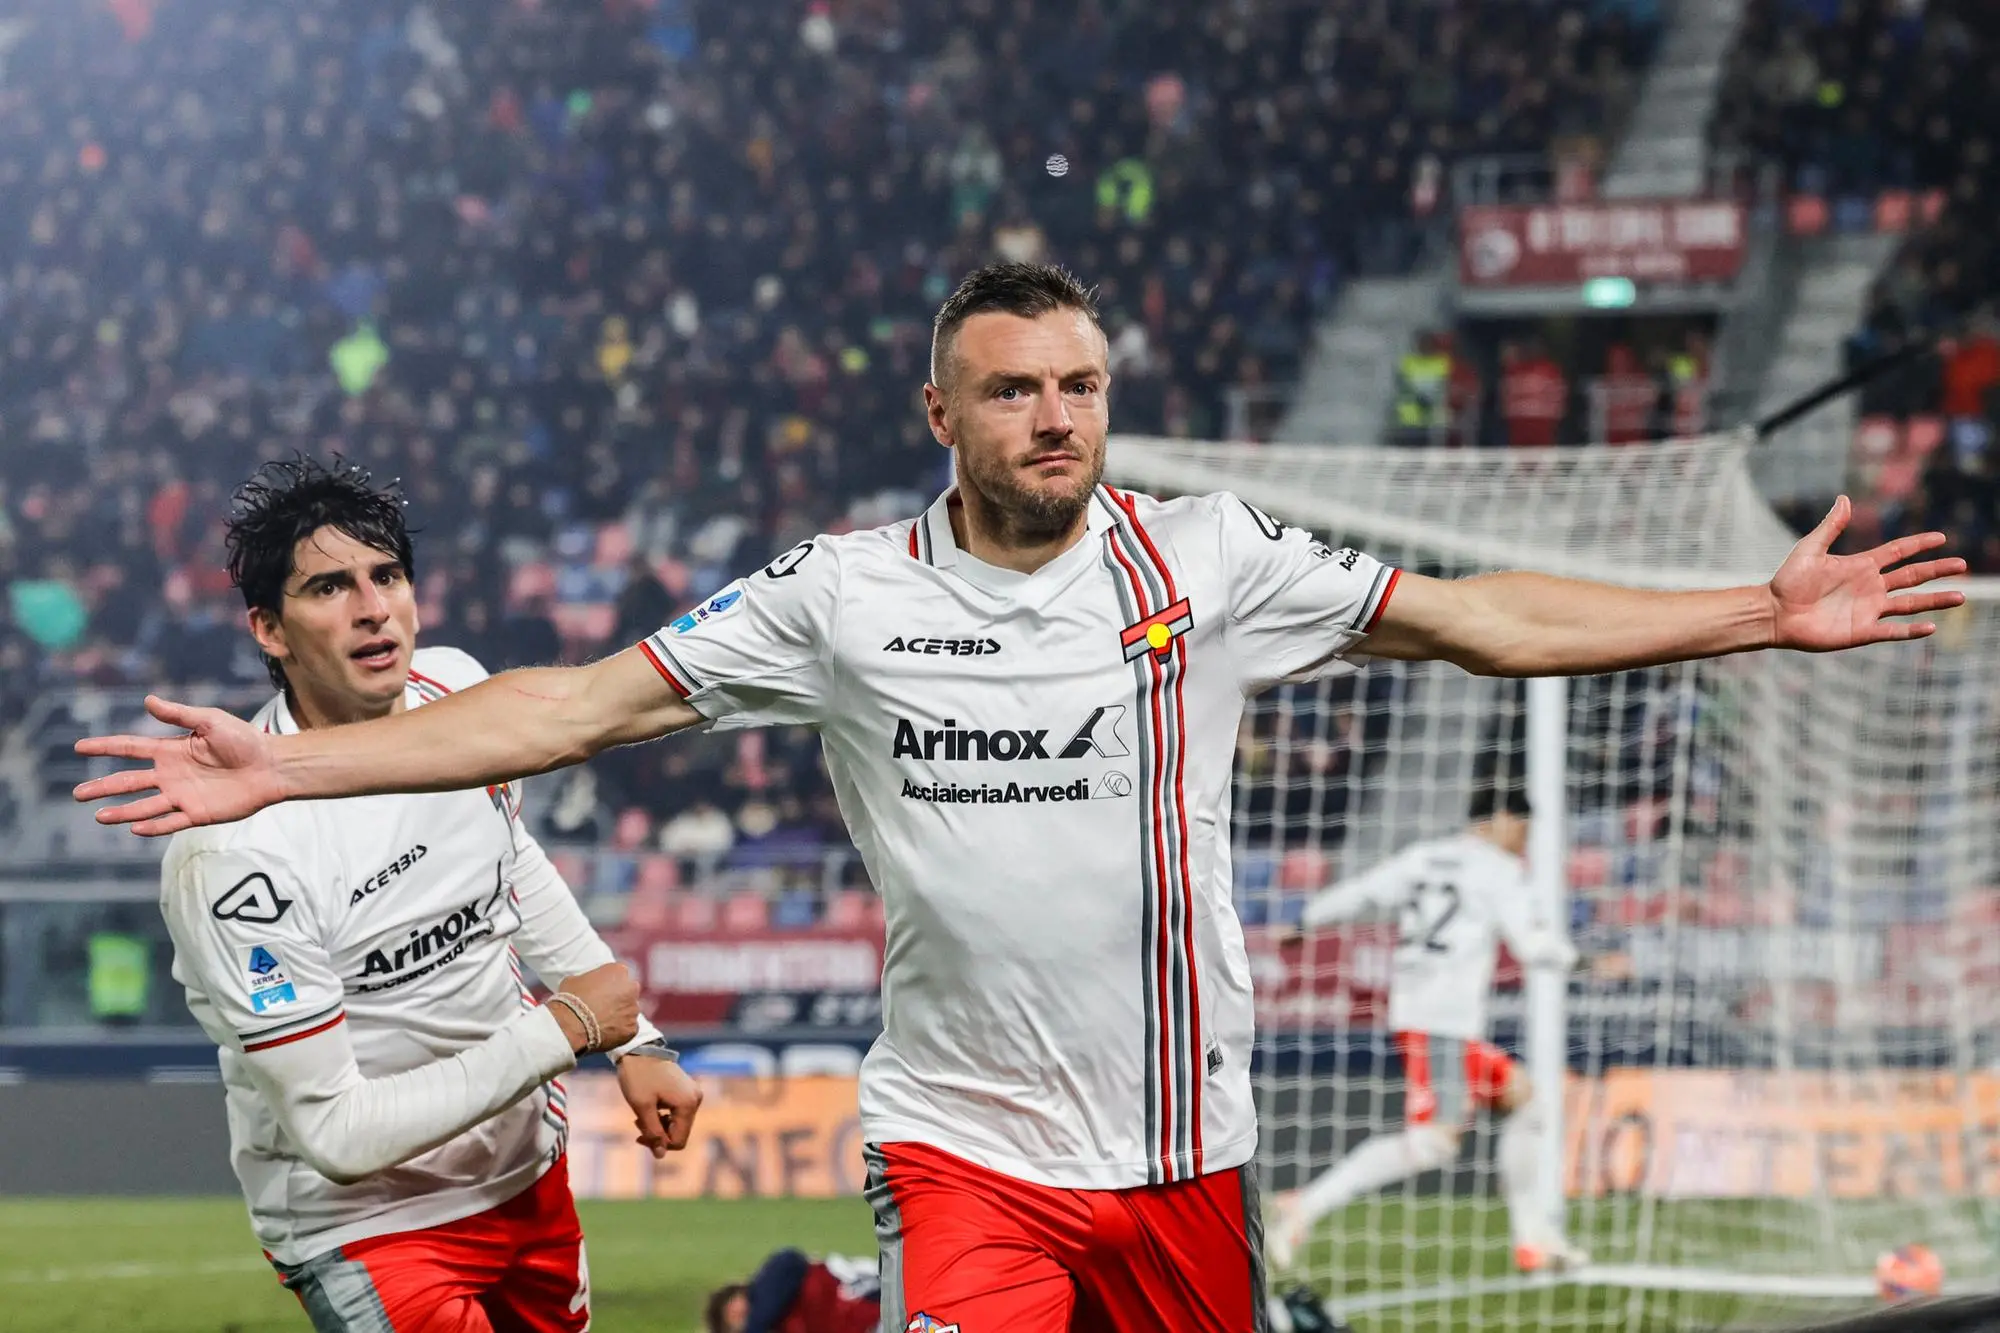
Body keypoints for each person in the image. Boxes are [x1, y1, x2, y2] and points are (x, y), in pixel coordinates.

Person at [76, 263, 1963, 1331]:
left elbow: (1481, 618)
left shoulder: (1207, 558)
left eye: (1079, 384)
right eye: (1013, 390)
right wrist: (287, 761)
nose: (1055, 415)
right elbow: (565, 710)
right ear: (944, 416)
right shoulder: (839, 596)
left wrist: (1755, 611)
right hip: (962, 1150)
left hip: (1185, 1151)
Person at [150, 458, 703, 1332]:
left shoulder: (455, 691)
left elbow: (509, 861)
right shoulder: (235, 856)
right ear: (269, 629)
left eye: (388, 576)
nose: (372, 608)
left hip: (527, 1176)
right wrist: (568, 1026)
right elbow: (338, 1134)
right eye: (329, 587)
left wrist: (636, 1038)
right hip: (368, 1224)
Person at [1264, 786, 1583, 1276]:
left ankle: (1532, 1241)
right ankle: (1302, 1207)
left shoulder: (1423, 857)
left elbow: (1362, 891)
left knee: (1526, 1100)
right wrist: (1586, 960)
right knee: (1435, 1143)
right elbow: (1531, 945)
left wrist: (1306, 919)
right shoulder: (1498, 871)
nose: (1526, 838)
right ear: (1499, 818)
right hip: (1445, 1022)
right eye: (1523, 825)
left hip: (1421, 1014)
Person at [703, 1250, 882, 1333]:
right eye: (731, 1323)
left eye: (731, 1308)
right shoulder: (782, 1323)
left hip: (877, 1301)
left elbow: (790, 1261)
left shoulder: (772, 1277)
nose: (737, 1314)